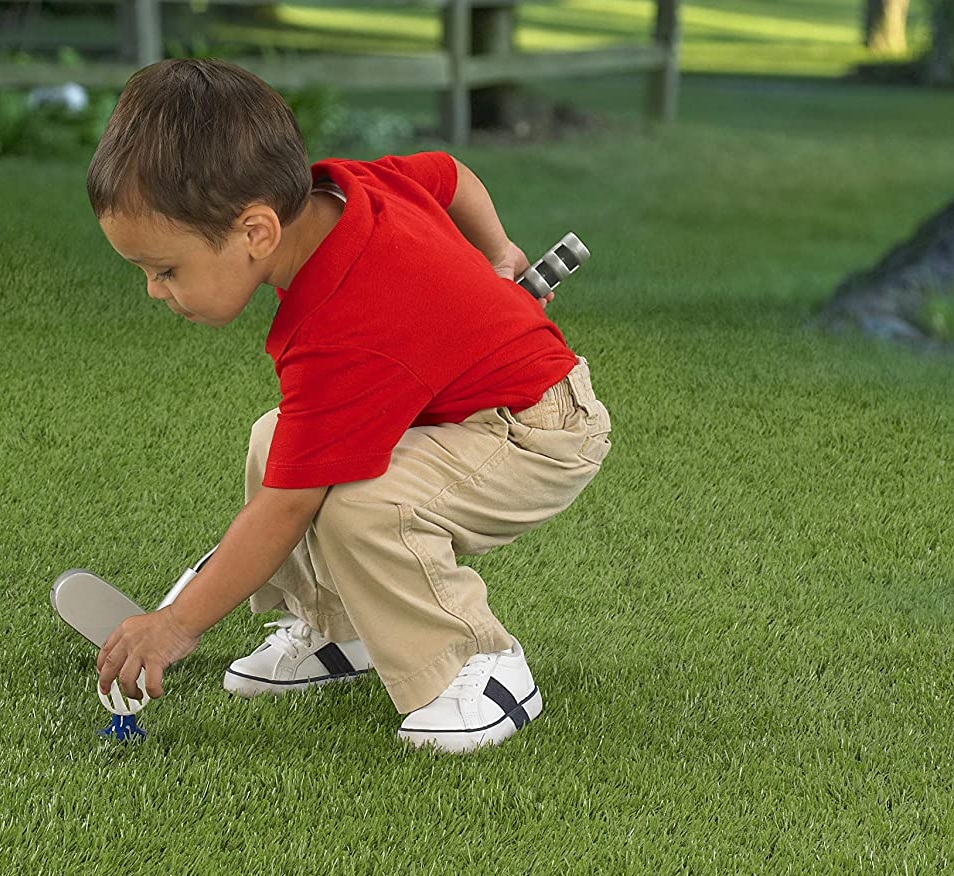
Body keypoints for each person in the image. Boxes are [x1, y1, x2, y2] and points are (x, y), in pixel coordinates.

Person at [88, 59, 612, 753]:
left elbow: (286, 509)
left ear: (255, 232)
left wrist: (179, 623)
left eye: (166, 270)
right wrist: (498, 251)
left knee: (371, 505)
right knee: (276, 439)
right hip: (459, 410)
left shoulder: (341, 329)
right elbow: (450, 174)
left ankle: (478, 665)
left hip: (539, 428)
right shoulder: (344, 188)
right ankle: (341, 631)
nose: (156, 291)